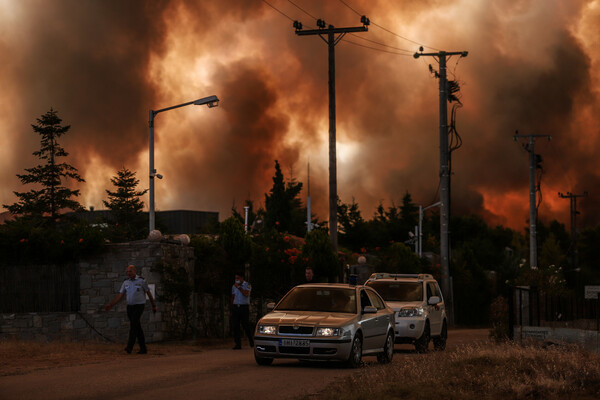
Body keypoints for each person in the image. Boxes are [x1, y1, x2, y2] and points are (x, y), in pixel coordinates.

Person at [105, 265, 157, 354]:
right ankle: (143, 348)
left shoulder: (141, 281)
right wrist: (111, 304)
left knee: (133, 325)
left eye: (130, 271)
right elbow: (120, 296)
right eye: (127, 272)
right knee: (137, 327)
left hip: (139, 306)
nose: (128, 273)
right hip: (130, 307)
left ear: (134, 271)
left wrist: (153, 305)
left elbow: (149, 293)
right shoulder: (126, 282)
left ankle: (129, 347)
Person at [231, 273, 254, 350]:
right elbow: (233, 296)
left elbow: (246, 294)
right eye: (235, 278)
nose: (236, 280)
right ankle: (238, 344)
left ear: (242, 278)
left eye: (238, 278)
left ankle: (251, 341)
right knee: (235, 326)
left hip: (244, 307)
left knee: (245, 325)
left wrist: (239, 287)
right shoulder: (234, 286)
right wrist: (232, 306)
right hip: (236, 307)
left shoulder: (247, 285)